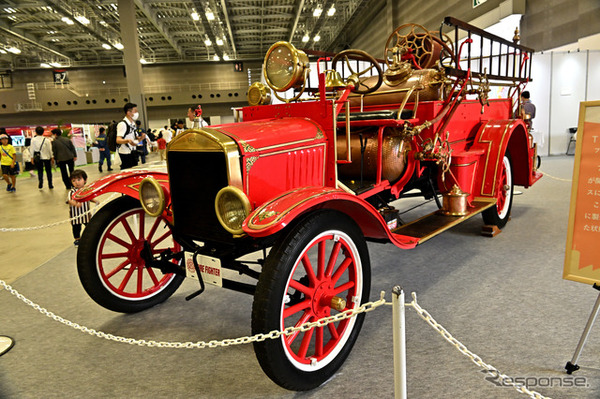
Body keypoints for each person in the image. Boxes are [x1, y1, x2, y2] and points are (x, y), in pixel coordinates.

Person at [66, 169, 98, 245]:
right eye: (74, 181)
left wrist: (95, 201)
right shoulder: (72, 191)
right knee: (76, 228)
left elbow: (89, 198)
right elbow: (69, 200)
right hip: (75, 215)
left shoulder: (86, 190)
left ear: (85, 180)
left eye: (79, 179)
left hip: (86, 214)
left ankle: (91, 237)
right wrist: (75, 204)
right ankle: (77, 239)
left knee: (89, 226)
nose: (76, 182)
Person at [116, 102, 143, 170]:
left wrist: (141, 138)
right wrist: (127, 141)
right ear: (128, 112)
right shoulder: (122, 124)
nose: (137, 113)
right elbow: (118, 140)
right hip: (125, 153)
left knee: (134, 171)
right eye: (135, 111)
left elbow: (135, 138)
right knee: (127, 172)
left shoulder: (133, 123)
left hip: (132, 152)